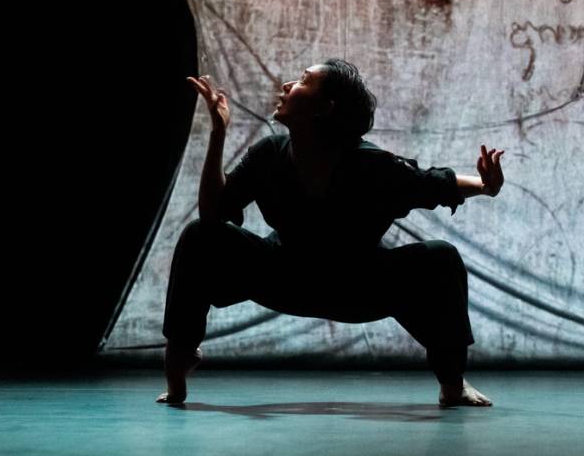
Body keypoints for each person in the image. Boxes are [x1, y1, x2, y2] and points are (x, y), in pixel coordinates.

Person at [158, 58, 505, 408]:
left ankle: (452, 383)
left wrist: (484, 185)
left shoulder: (372, 166)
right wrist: (218, 134)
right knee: (199, 236)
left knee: (440, 257)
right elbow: (214, 213)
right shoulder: (269, 155)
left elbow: (433, 183)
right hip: (285, 275)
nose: (287, 86)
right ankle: (179, 369)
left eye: (302, 81)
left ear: (325, 108)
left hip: (356, 284)